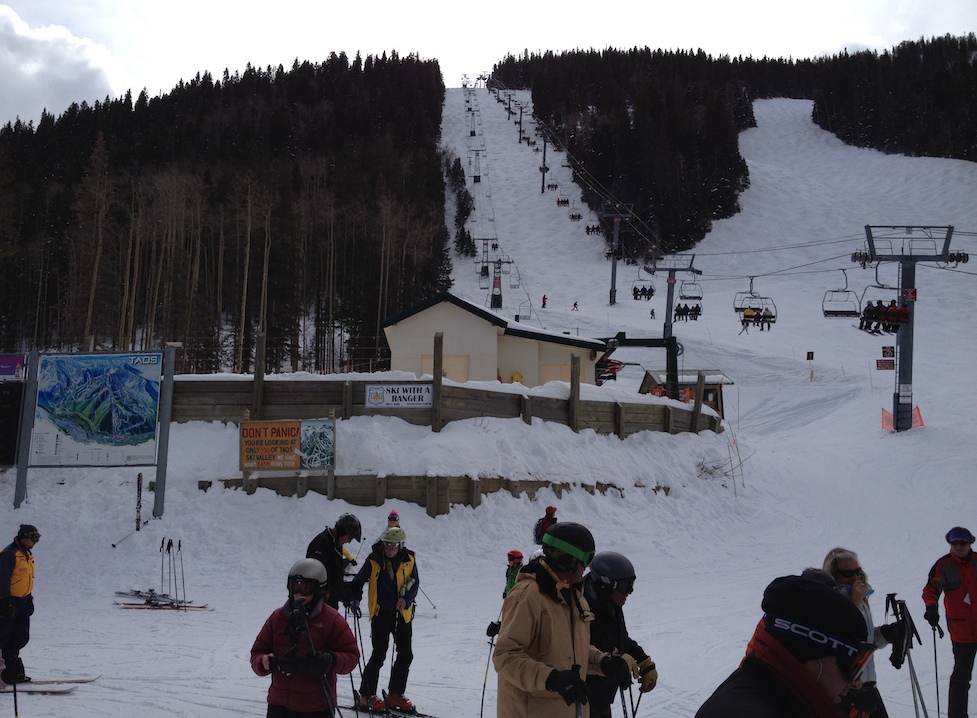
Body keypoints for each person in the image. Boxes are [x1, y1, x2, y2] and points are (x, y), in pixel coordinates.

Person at [494, 522, 632, 718]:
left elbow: (573, 649)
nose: (585, 569)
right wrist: (551, 679)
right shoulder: (528, 596)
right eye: (582, 561)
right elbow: (505, 657)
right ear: (566, 561)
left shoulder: (573, 596)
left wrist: (603, 662)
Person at [696, 573, 871, 717]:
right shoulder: (739, 711)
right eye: (852, 665)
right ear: (811, 653)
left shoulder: (790, 699)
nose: (856, 682)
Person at [250, 558, 359, 718]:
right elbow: (257, 652)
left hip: (317, 707)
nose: (298, 594)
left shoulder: (330, 619)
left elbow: (351, 656)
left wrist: (331, 660)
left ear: (318, 590)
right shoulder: (278, 618)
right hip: (280, 705)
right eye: (295, 587)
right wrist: (263, 662)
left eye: (305, 588)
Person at [824, 547, 904, 717]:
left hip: (867, 684)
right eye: (848, 573)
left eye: (858, 572)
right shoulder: (831, 601)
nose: (855, 577)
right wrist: (853, 603)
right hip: (846, 690)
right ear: (834, 574)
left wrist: (886, 634)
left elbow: (864, 641)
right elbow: (839, 642)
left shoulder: (859, 597)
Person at [348, 526, 420, 712]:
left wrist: (407, 599)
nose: (389, 548)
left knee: (405, 654)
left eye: (393, 545)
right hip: (381, 614)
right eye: (387, 544)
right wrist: (355, 599)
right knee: (379, 654)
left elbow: (415, 583)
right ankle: (366, 695)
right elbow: (358, 582)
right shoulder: (374, 560)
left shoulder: (409, 559)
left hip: (402, 614)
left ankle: (396, 694)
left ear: (401, 545)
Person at [583, 552, 658, 718]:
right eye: (625, 586)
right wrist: (615, 663)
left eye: (631, 585)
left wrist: (644, 662)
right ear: (605, 584)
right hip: (582, 701)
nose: (629, 592)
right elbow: (578, 652)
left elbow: (620, 638)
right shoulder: (581, 607)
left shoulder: (610, 603)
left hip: (601, 697)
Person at [923, 526, 977, 718]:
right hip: (962, 631)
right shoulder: (943, 565)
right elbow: (931, 588)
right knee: (961, 678)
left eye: (962, 543)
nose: (959, 547)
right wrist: (931, 607)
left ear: (970, 542)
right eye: (954, 543)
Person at [0, 525, 39, 684]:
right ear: (24, 537)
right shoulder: (10, 554)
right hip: (8, 601)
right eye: (34, 538)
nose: (36, 542)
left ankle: (11, 669)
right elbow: (2, 578)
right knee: (4, 636)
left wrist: (28, 598)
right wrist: (5, 600)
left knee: (21, 636)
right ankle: (4, 670)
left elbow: (26, 578)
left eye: (38, 538)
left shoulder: (27, 554)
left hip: (21, 601)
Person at [306, 513, 362, 610]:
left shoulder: (336, 543)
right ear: (342, 531)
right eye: (349, 538)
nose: (349, 542)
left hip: (329, 607)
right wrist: (338, 594)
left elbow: (332, 576)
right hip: (317, 608)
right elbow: (314, 583)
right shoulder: (322, 543)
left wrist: (347, 587)